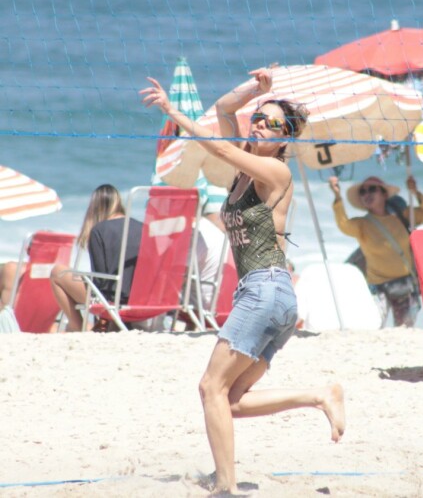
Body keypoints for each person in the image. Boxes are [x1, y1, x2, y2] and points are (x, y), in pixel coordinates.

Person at [142, 67, 345, 494]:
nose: (260, 125)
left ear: (285, 139)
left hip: (265, 291)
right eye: (258, 118)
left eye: (273, 124)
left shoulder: (276, 173)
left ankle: (226, 487)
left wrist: (173, 111)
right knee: (229, 400)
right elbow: (223, 109)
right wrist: (258, 90)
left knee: (209, 386)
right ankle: (319, 395)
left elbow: (220, 146)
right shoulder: (245, 171)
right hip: (271, 296)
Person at [329, 174, 423, 327]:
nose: (367, 194)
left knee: (405, 330)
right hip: (378, 285)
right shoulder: (362, 225)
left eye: (372, 189)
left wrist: (415, 192)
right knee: (374, 326)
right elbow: (343, 225)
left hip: (405, 284)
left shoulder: (403, 216)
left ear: (384, 194)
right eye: (363, 192)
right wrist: (337, 196)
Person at [50, 184, 142, 332]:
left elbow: (101, 280)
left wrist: (104, 318)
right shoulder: (142, 227)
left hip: (114, 298)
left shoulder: (99, 230)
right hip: (140, 297)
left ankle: (77, 326)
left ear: (95, 207)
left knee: (58, 273)